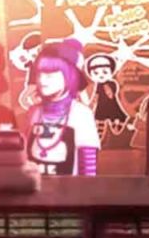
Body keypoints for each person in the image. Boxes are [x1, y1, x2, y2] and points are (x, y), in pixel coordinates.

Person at [25, 40, 100, 176]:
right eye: (39, 73)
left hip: (70, 188)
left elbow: (88, 165)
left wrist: (86, 187)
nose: (42, 80)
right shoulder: (34, 112)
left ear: (70, 75)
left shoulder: (81, 114)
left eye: (50, 74)